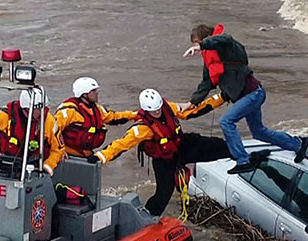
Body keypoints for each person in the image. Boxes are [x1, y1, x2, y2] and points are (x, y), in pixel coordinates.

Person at [186, 23, 308, 175]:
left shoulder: (225, 46)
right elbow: (207, 83)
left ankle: (242, 160)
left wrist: (203, 45)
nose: (197, 48)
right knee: (259, 132)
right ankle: (298, 144)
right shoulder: (209, 59)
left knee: (226, 121)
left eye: (197, 43)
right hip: (249, 96)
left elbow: (226, 38)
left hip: (254, 94)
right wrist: (193, 102)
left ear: (206, 39)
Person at [92, 88, 230, 216]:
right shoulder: (142, 128)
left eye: (158, 109)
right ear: (146, 111)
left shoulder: (168, 107)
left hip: (181, 145)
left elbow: (193, 111)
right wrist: (100, 156)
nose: (157, 112)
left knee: (216, 146)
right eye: (154, 111)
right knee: (163, 193)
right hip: (163, 160)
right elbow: (121, 145)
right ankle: (148, 217)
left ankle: (242, 156)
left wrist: (221, 98)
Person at [49, 76, 136, 170]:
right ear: (84, 94)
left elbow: (113, 117)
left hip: (87, 156)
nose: (97, 92)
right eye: (93, 91)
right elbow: (53, 130)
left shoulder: (96, 109)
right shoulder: (69, 110)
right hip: (69, 157)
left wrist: (134, 115)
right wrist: (59, 151)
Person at [0, 88, 58, 173]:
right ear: (27, 109)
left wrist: (47, 167)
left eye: (44, 108)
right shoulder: (5, 116)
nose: (43, 112)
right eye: (39, 109)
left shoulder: (49, 121)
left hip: (36, 168)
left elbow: (58, 149)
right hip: (7, 163)